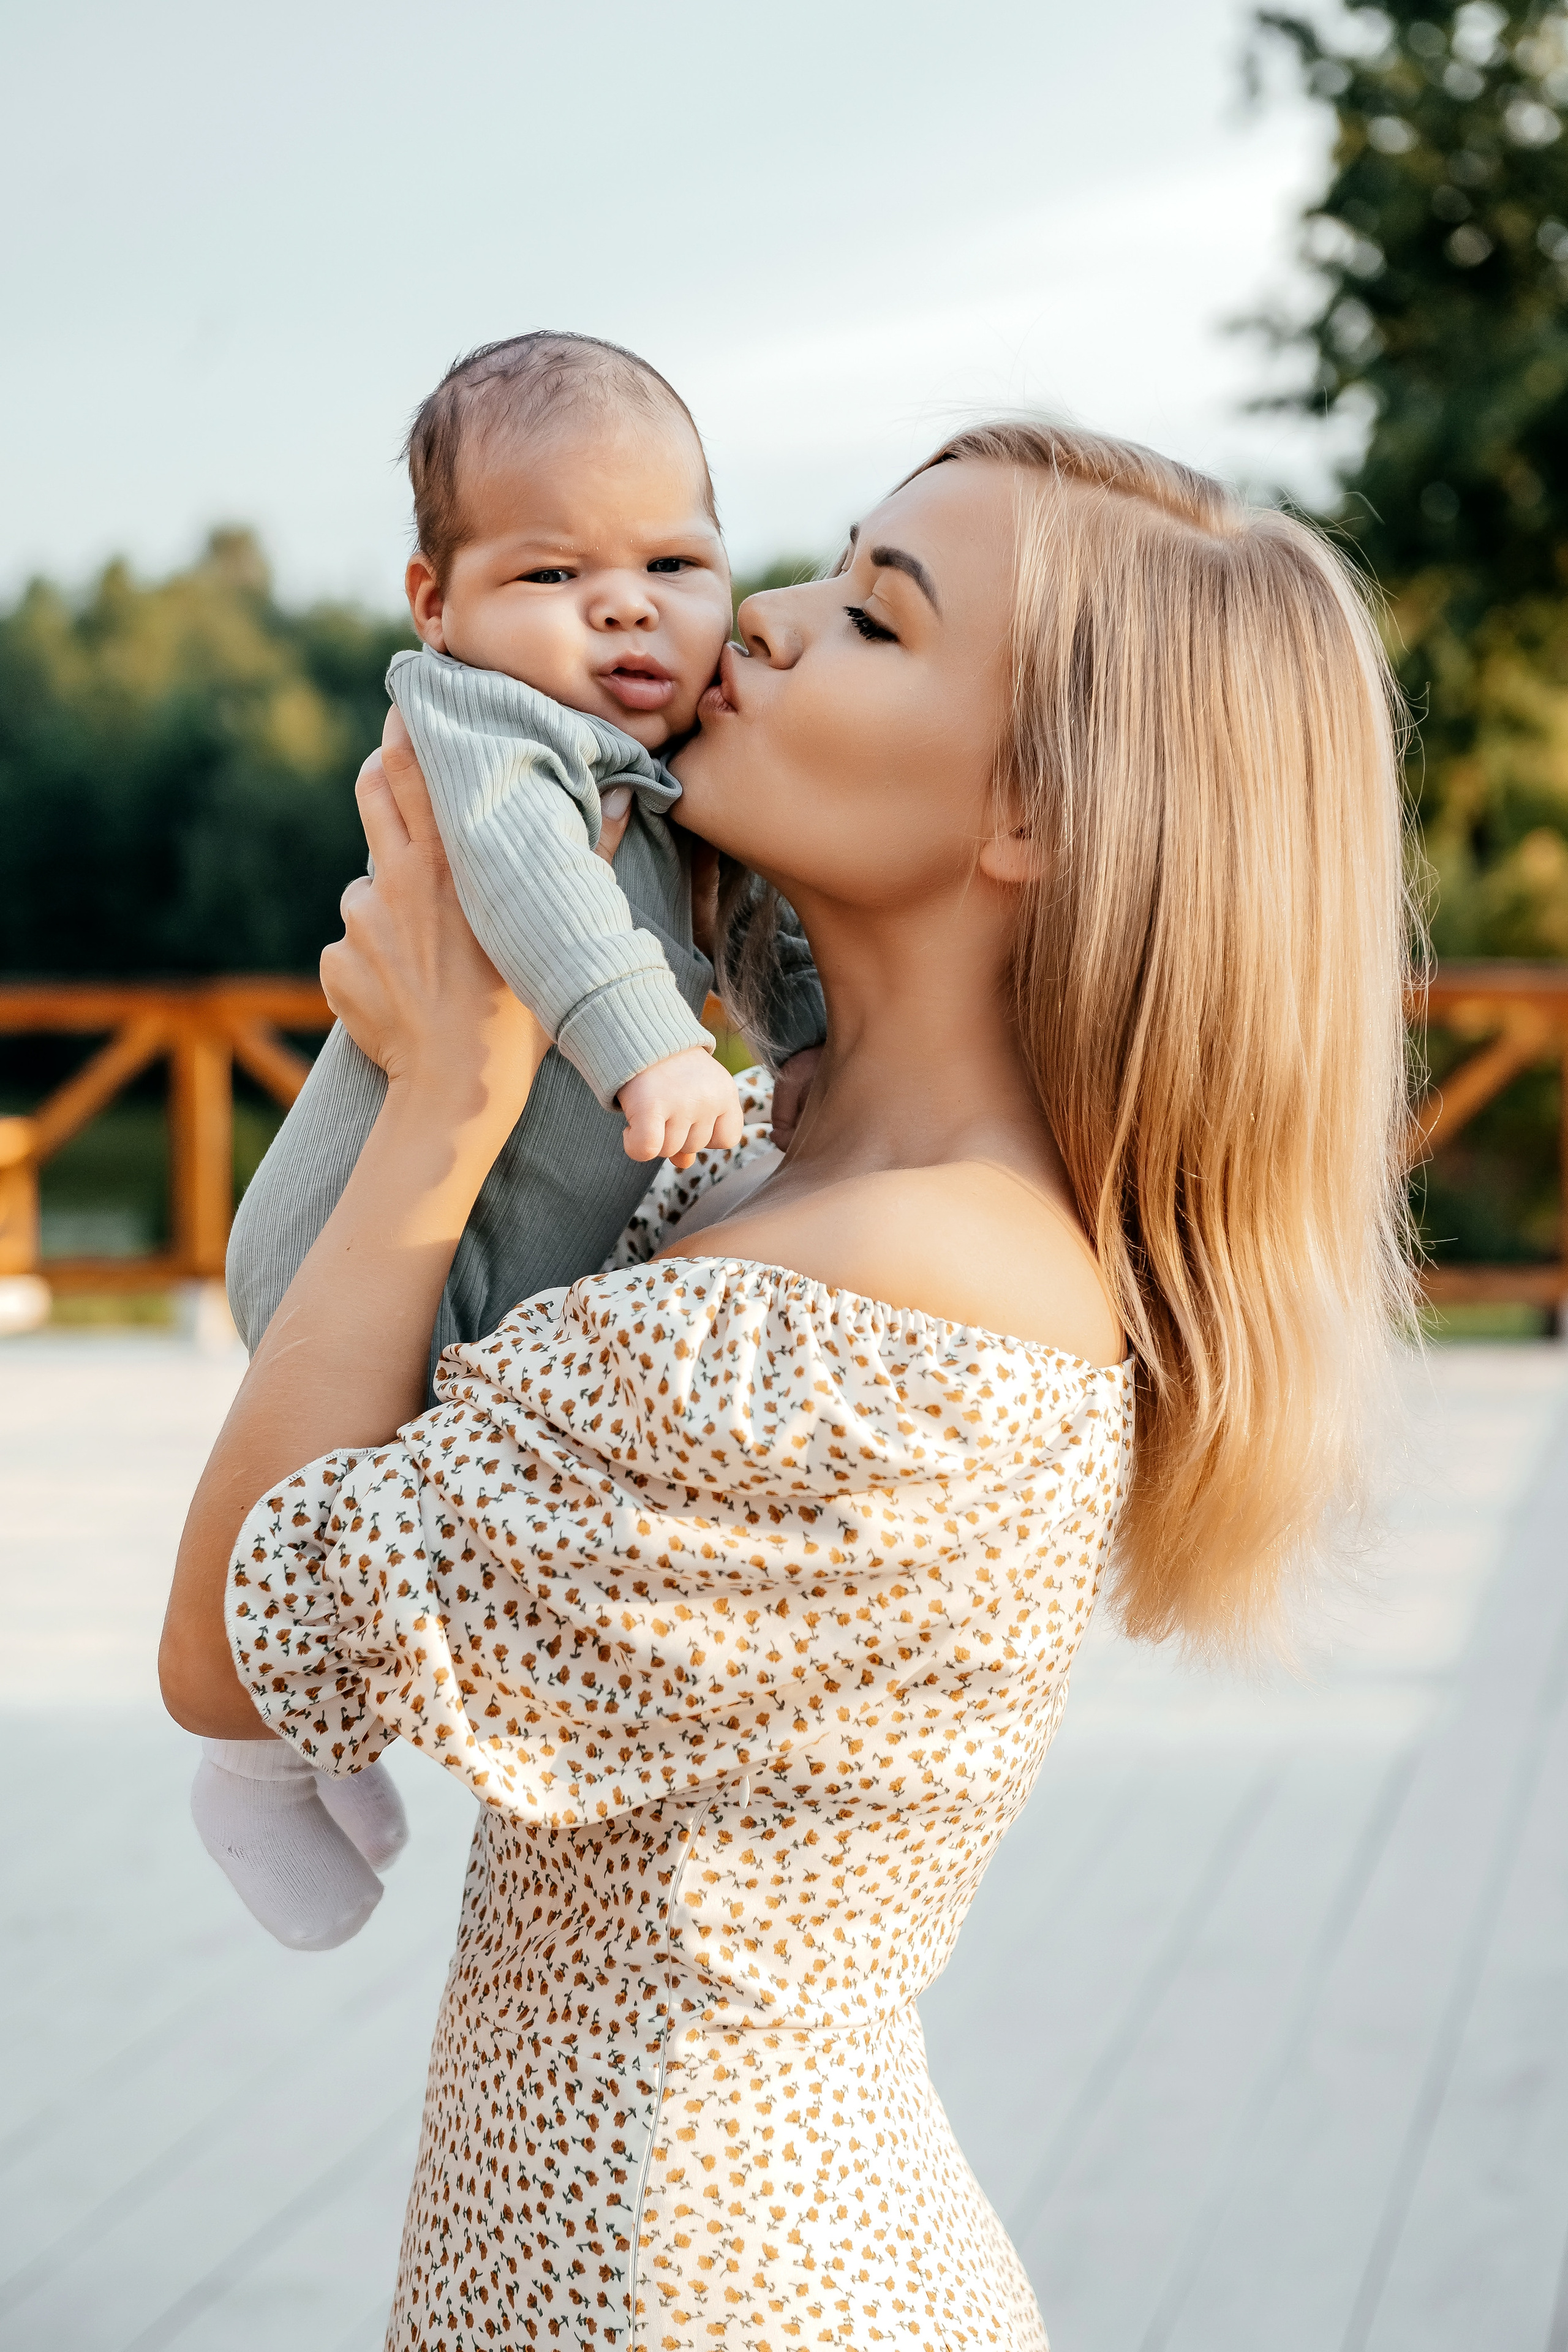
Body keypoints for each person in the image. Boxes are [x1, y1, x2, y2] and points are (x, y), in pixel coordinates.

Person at [160, 420, 1415, 2351]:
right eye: (824, 569)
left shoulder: (873, 1306)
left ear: (1040, 812)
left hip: (703, 2292)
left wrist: (443, 1105)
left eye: (877, 620)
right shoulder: (773, 1172)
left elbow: (244, 1648)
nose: (759, 620)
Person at [197, 332, 827, 1950]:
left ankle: (314, 1751)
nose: (627, 607)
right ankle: (254, 1768)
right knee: (331, 1504)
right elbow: (530, 887)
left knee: (414, 1518)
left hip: (504, 1236)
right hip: (367, 1229)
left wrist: (813, 1033)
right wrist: (656, 1047)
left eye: (675, 562)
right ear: (435, 604)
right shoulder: (481, 727)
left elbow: (743, 925)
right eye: (554, 568)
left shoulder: (665, 762)